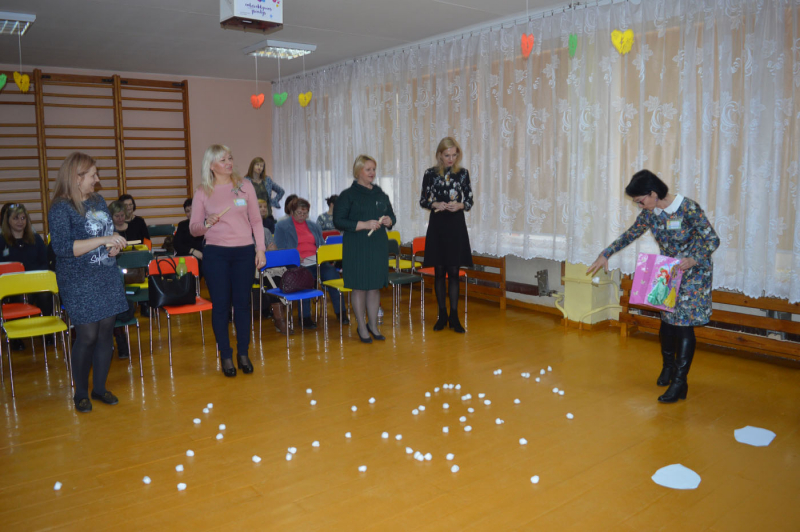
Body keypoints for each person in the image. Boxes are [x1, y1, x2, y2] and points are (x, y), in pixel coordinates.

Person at [587, 170, 720, 404]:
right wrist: (604, 254)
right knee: (667, 322)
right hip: (668, 271)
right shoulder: (652, 213)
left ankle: (680, 381)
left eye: (641, 201)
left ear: (653, 193)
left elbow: (712, 239)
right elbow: (630, 234)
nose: (640, 206)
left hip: (693, 272)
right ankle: (669, 368)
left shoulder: (688, 208)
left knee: (683, 325)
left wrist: (694, 259)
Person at [48, 152, 129, 413]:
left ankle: (100, 388)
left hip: (105, 274)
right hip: (77, 279)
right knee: (87, 335)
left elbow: (105, 236)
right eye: (93, 174)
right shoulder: (61, 207)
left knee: (106, 332)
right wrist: (103, 241)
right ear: (77, 177)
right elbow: (61, 248)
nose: (97, 179)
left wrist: (113, 246)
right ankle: (80, 392)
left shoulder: (98, 200)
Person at [189, 145, 266, 377]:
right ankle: (225, 354)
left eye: (230, 157)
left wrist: (260, 249)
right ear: (211, 165)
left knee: (243, 304)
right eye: (222, 159)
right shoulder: (203, 191)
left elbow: (256, 221)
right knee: (221, 306)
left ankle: (243, 353)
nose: (229, 162)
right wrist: (207, 223)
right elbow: (194, 229)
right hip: (216, 255)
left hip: (244, 252)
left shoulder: (245, 186)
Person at [334, 155, 396, 343]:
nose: (372, 173)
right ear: (358, 171)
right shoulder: (348, 195)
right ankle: (361, 326)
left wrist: (389, 220)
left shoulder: (380, 194)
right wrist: (363, 224)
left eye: (374, 169)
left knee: (374, 287)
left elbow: (392, 216)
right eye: (368, 169)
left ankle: (373, 326)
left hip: (377, 246)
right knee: (359, 288)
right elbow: (339, 221)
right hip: (356, 246)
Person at [419, 137, 474, 334]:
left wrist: (460, 205)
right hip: (438, 224)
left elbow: (469, 200)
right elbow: (423, 200)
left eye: (454, 155)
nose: (451, 159)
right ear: (440, 155)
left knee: (454, 272)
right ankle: (442, 315)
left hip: (456, 224)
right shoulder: (430, 174)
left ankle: (454, 317)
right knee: (440, 271)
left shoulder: (463, 174)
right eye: (447, 155)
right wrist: (435, 204)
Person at [274, 197, 347, 329]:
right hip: (297, 264)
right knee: (305, 278)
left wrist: (322, 255)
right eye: (299, 213)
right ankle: (305, 318)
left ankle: (341, 313)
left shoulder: (314, 226)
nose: (302, 216)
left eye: (305, 213)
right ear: (292, 212)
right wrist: (295, 257)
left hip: (316, 261)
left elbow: (321, 245)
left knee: (332, 275)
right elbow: (280, 248)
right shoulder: (282, 226)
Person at [0, 203, 52, 351]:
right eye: (16, 218)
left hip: (36, 283)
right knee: (17, 297)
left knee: (46, 295)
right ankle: (16, 337)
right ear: (7, 221)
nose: (20, 221)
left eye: (23, 218)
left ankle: (47, 333)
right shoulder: (2, 241)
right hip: (12, 286)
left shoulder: (35, 239)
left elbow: (44, 263)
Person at [173, 198, 204, 266]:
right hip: (187, 257)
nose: (190, 213)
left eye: (192, 209)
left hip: (203, 257)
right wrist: (193, 251)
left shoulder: (205, 223)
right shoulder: (182, 225)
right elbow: (177, 245)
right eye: (187, 211)